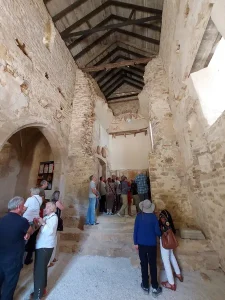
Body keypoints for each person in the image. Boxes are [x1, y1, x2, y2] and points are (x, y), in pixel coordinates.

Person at [0, 196, 33, 300]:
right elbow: (30, 230)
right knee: (10, 283)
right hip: (13, 258)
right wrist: (27, 233)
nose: (24, 208)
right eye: (23, 206)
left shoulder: (2, 219)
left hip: (1, 256)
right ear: (19, 207)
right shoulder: (22, 221)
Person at [133, 200, 162, 298]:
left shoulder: (138, 217)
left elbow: (135, 231)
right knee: (152, 265)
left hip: (141, 244)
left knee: (143, 264)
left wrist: (135, 243)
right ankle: (154, 287)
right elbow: (157, 232)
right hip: (151, 244)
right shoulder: (154, 217)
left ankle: (145, 286)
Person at [30, 202, 58, 300]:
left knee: (39, 271)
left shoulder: (54, 218)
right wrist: (38, 223)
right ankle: (42, 290)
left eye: (46, 207)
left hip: (45, 246)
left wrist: (42, 223)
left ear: (51, 209)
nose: (45, 209)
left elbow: (50, 232)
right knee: (42, 269)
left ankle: (37, 296)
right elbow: (41, 229)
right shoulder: (47, 217)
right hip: (41, 245)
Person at [159, 209, 183, 291]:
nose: (161, 219)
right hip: (171, 242)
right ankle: (178, 274)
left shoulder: (163, 225)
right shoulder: (169, 224)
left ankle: (171, 283)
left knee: (166, 262)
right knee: (172, 256)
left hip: (165, 243)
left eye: (161, 217)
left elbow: (160, 233)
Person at [23, 187, 42, 265]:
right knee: (32, 239)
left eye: (31, 191)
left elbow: (24, 209)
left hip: (27, 219)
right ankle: (28, 258)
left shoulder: (30, 199)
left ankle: (21, 256)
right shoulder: (40, 199)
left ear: (32, 192)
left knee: (23, 237)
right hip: (35, 220)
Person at [48, 190, 64, 267]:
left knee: (53, 239)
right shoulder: (57, 202)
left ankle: (52, 258)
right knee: (54, 240)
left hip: (52, 220)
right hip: (56, 220)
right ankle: (51, 258)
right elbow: (63, 208)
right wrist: (61, 202)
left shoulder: (51, 202)